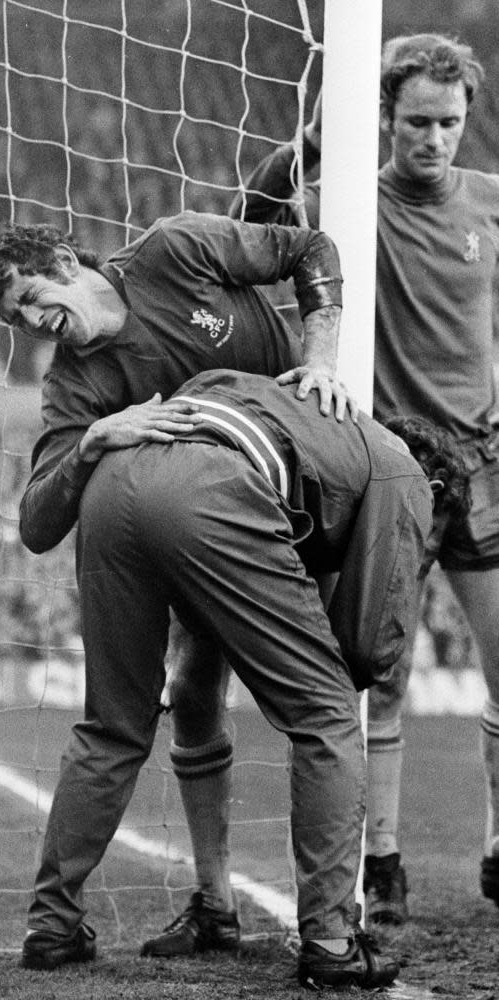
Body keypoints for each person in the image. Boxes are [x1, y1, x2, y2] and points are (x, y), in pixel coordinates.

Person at [0, 209, 354, 952]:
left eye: (27, 301)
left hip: (299, 490)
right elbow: (35, 523)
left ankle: (368, 874)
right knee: (195, 696)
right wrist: (90, 443)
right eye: (16, 322)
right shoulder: (76, 385)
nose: (31, 325)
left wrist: (320, 361)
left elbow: (309, 247)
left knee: (339, 685)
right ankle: (216, 903)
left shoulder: (172, 250)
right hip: (205, 532)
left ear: (60, 259)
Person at [18, 368, 466, 989]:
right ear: (435, 486)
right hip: (209, 489)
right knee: (329, 712)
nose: (426, 551)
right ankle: (333, 942)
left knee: (114, 725)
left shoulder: (307, 418)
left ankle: (53, 927)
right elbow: (365, 649)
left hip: (115, 478)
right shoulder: (403, 471)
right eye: (434, 535)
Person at [223, 32, 499, 926]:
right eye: (416, 121)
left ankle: (497, 848)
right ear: (384, 117)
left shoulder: (490, 205)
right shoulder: (347, 200)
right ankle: (380, 859)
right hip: (392, 463)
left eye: (449, 123)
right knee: (379, 672)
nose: (433, 139)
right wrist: (307, 141)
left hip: (485, 462)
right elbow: (247, 213)